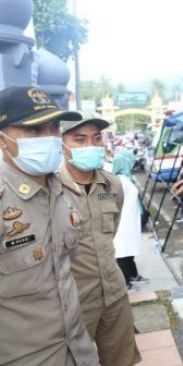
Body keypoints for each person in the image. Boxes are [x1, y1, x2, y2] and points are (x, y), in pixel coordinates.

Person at [0, 86, 98, 365]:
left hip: (79, 351)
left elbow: (66, 269)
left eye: (53, 128)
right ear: (2, 140)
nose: (48, 138)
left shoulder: (67, 193)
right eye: (33, 131)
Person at [59, 112, 140, 365]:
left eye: (96, 138)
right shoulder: (51, 189)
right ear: (62, 145)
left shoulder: (112, 185)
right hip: (74, 302)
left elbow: (110, 233)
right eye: (80, 140)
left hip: (114, 293)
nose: (90, 146)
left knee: (121, 360)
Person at [112, 149, 146, 291]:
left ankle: (133, 274)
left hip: (131, 221)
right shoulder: (118, 181)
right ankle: (125, 282)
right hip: (123, 222)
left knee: (129, 250)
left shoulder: (126, 178)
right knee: (122, 252)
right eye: (129, 161)